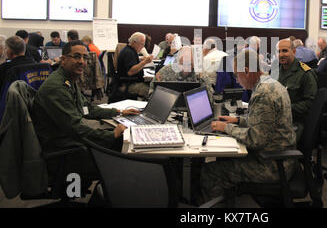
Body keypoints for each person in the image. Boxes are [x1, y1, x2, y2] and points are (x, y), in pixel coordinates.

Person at [31, 40, 140, 181]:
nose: (82, 61)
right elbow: (75, 128)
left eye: (84, 57)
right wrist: (110, 135)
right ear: (63, 59)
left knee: (121, 140)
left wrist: (118, 112)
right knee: (119, 146)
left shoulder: (68, 80)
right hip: (63, 148)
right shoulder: (57, 88)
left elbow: (87, 109)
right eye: (76, 56)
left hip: (68, 139)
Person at [200, 49, 296, 203]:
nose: (237, 80)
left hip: (271, 165)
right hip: (277, 157)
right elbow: (262, 121)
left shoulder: (263, 93)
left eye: (237, 75)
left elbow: (255, 139)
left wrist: (225, 128)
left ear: (246, 71)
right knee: (223, 159)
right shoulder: (270, 83)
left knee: (211, 171)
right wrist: (237, 121)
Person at [276, 39, 318, 138]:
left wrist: (284, 109)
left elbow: (310, 103)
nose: (281, 54)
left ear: (294, 52)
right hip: (276, 117)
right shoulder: (276, 71)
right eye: (278, 51)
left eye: (285, 51)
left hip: (295, 121)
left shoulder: (305, 73)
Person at [148, 45, 214, 99]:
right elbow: (151, 92)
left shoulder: (201, 75)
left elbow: (209, 99)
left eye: (189, 64)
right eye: (182, 63)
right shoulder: (166, 71)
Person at [117, 32, 154, 99]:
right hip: (129, 84)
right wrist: (145, 62)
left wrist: (140, 60)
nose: (143, 47)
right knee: (154, 92)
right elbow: (130, 72)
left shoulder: (129, 50)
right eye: (142, 44)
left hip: (128, 82)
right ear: (134, 42)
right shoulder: (129, 53)